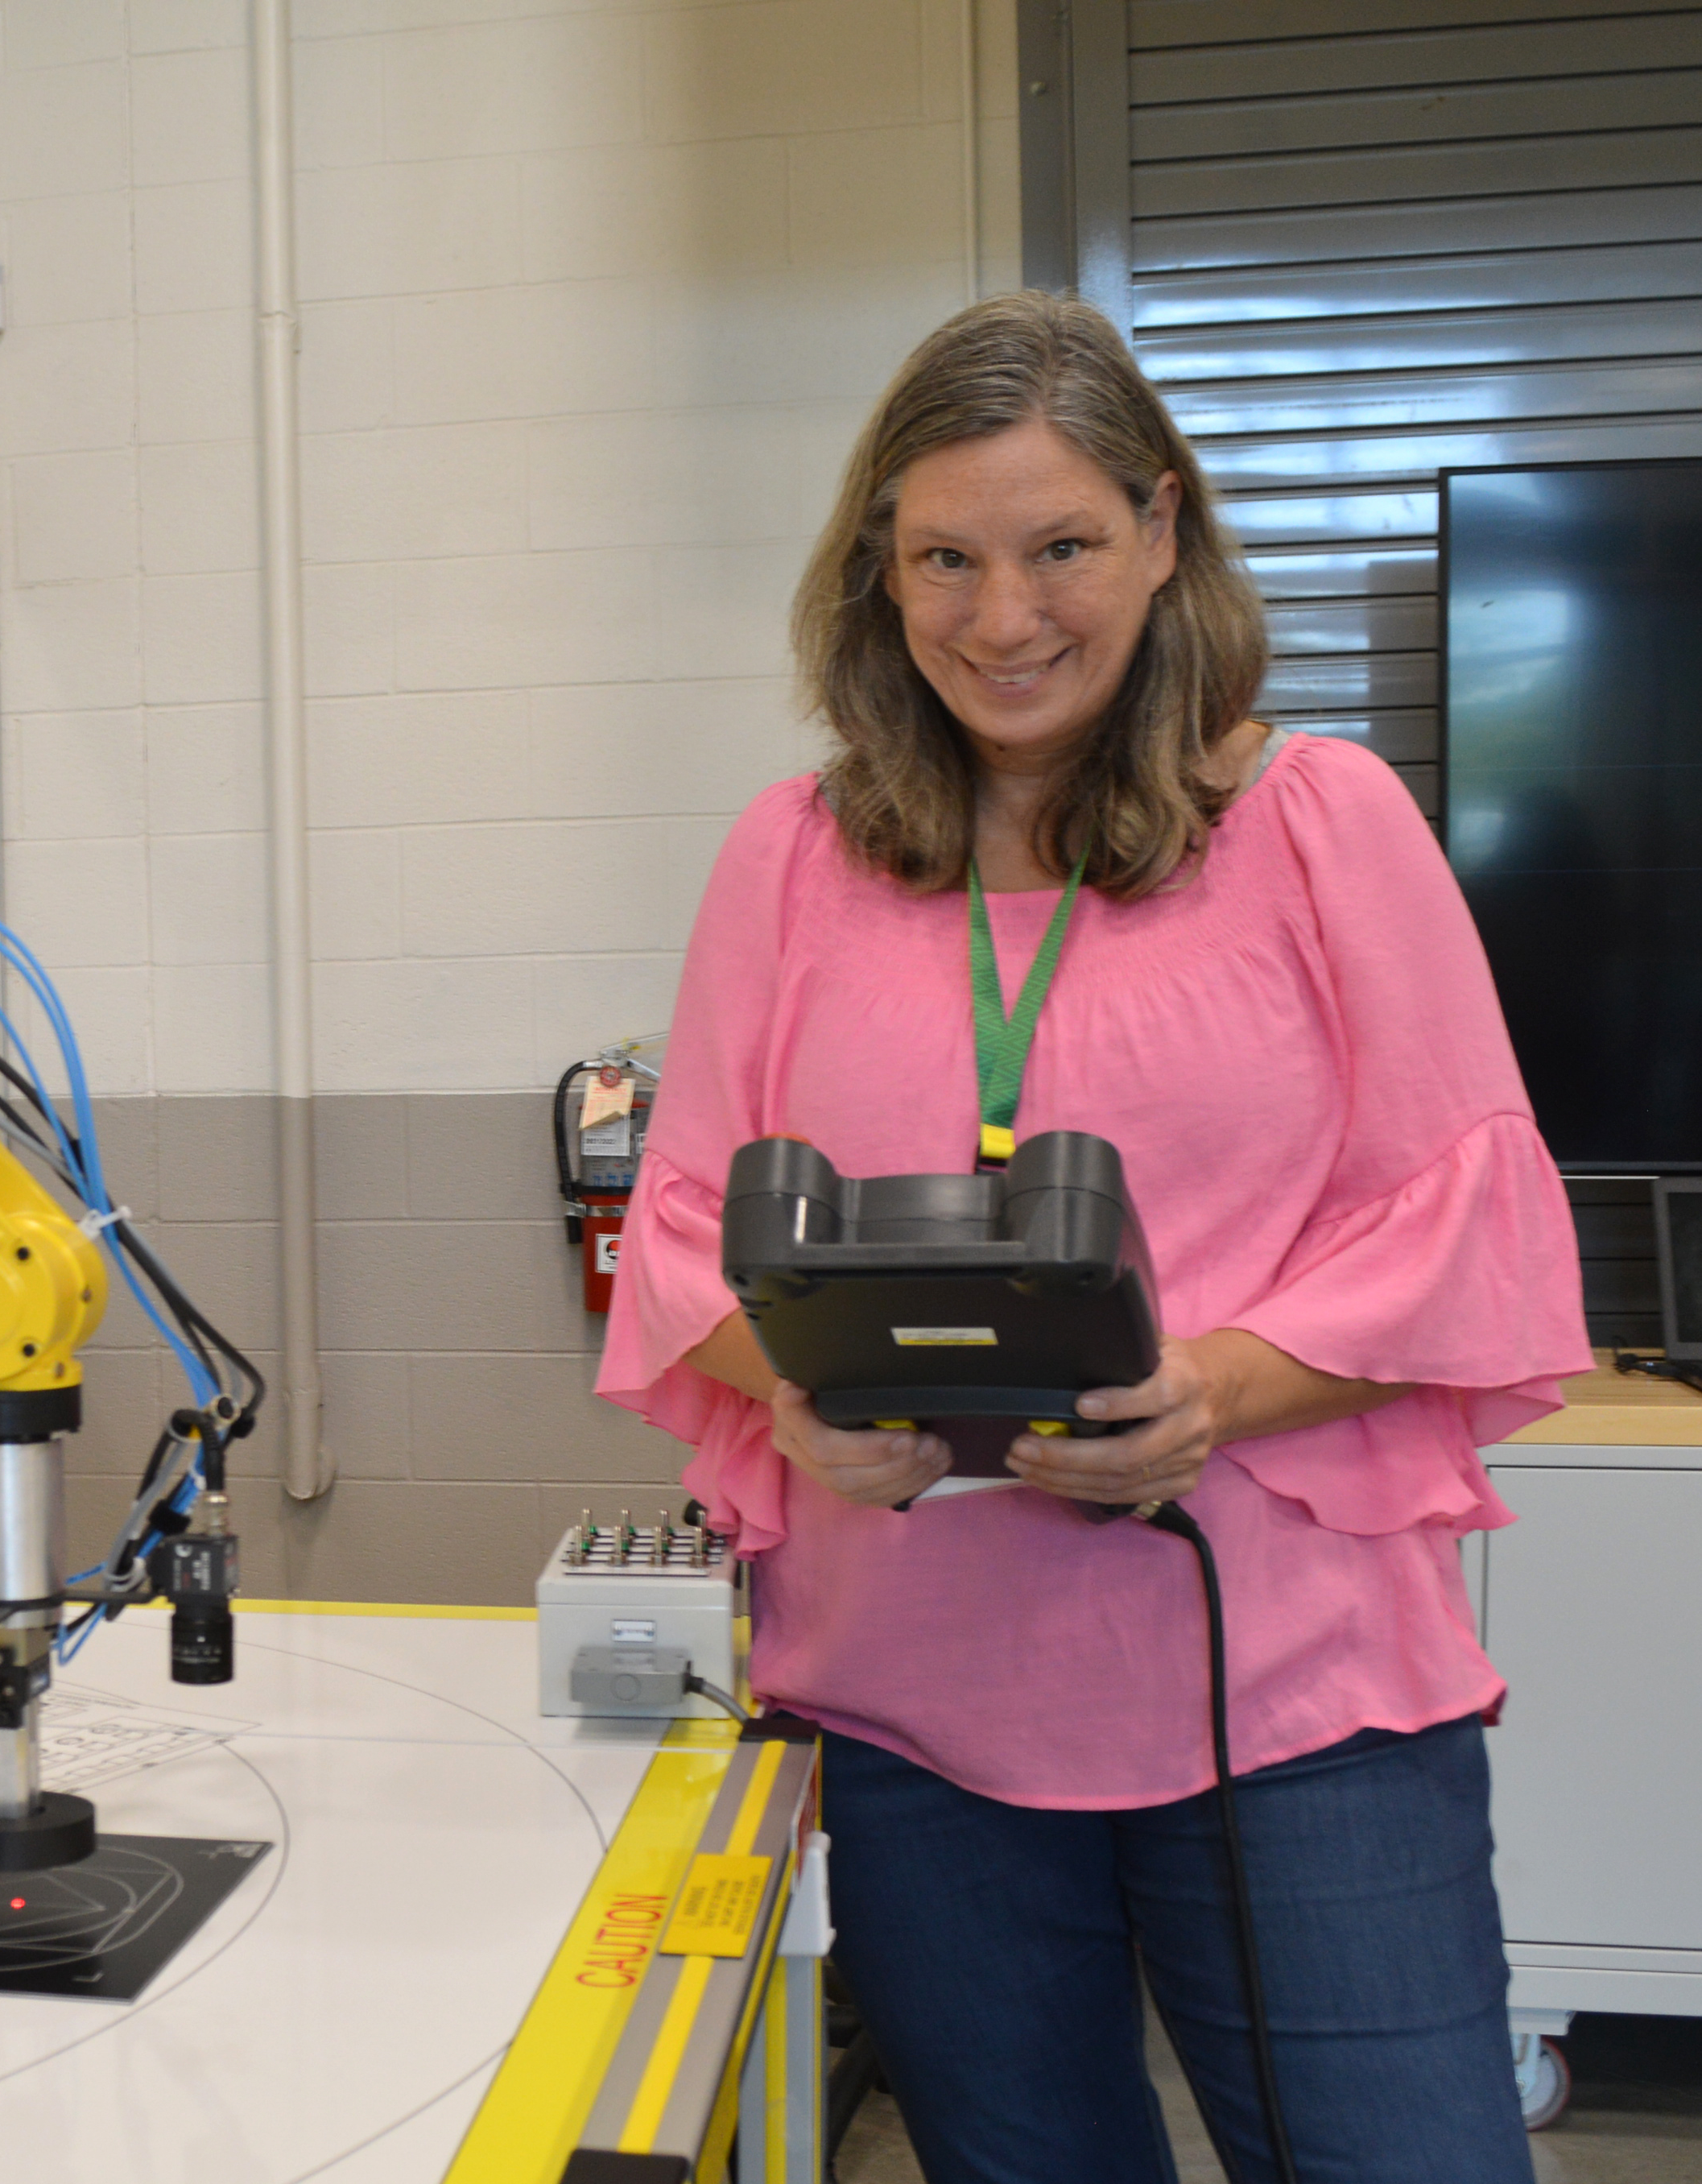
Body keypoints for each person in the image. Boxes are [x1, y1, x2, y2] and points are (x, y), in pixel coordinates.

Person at [597, 291, 1588, 2184]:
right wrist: (795, 1393)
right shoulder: (793, 856)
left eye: (1060, 547)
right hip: (916, 1700)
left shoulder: (1321, 823)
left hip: (1294, 1703)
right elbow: (686, 1232)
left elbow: (1464, 1223)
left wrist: (1210, 1386)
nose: (1003, 617)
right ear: (878, 577)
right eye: (943, 560)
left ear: (1162, 528)